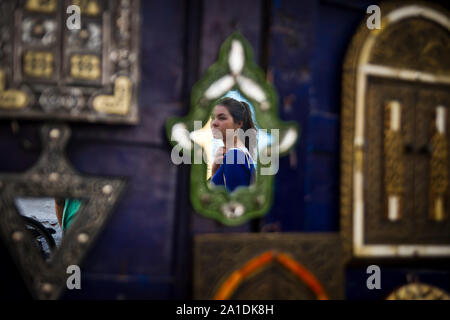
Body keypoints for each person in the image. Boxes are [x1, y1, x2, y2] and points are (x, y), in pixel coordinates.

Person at [210, 97, 257, 192]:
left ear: (239, 123)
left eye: (222, 118)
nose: (214, 123)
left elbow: (234, 204)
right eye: (213, 118)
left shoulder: (234, 156)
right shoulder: (233, 156)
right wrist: (215, 170)